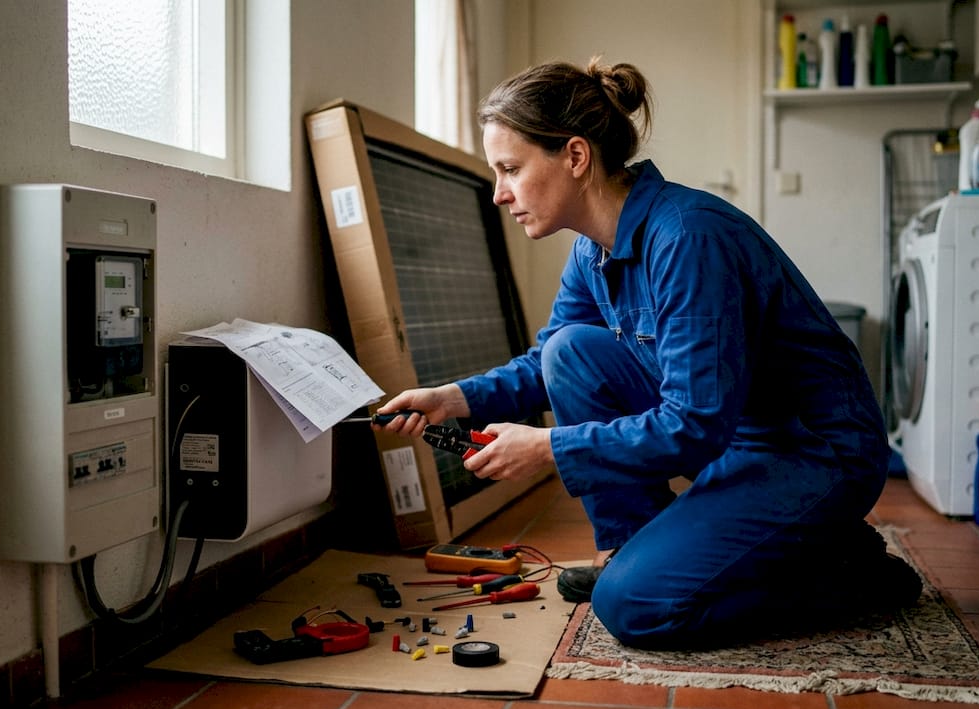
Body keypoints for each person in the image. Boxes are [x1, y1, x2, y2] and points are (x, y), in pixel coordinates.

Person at [375, 56, 921, 649]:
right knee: (569, 352)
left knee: (635, 608)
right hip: (736, 438)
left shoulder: (687, 237)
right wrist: (452, 398)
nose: (499, 194)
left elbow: (694, 424)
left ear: (576, 157)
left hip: (813, 454)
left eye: (510, 169)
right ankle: (634, 549)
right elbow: (545, 364)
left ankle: (845, 572)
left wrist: (548, 448)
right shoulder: (592, 249)